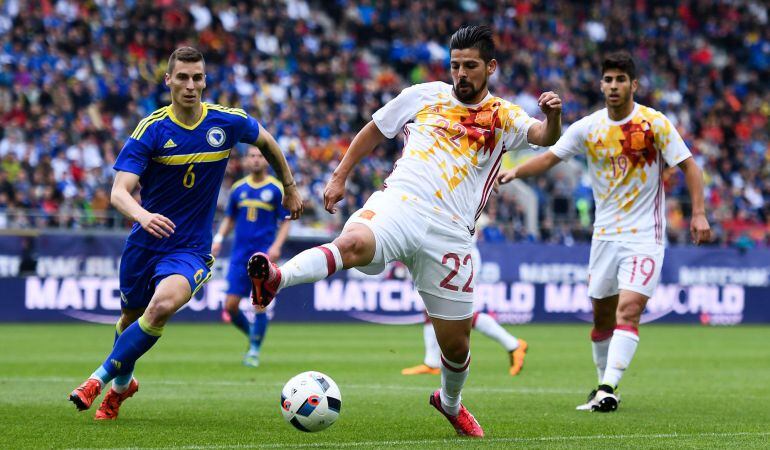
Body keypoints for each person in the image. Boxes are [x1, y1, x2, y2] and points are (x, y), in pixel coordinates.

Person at [249, 25, 562, 437]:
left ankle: (450, 404)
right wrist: (340, 176)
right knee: (354, 242)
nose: (461, 74)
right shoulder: (423, 95)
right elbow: (375, 129)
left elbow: (543, 135)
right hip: (402, 203)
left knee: (456, 345)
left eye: (470, 66)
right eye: (455, 66)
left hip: (451, 232)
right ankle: (276, 278)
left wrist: (553, 115)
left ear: (491, 67)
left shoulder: (504, 115)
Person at [67, 47, 302, 420]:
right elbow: (118, 192)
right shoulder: (152, 129)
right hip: (144, 244)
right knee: (130, 319)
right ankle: (122, 387)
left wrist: (289, 185)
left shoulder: (226, 122)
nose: (190, 86)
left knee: (160, 308)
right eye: (182, 77)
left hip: (189, 249)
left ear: (205, 81)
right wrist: (142, 215)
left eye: (197, 78)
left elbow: (268, 142)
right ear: (168, 80)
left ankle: (98, 380)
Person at [498, 51, 710, 412]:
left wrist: (699, 214)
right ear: (601, 84)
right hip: (605, 236)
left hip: (645, 235)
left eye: (620, 80)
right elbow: (550, 157)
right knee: (601, 318)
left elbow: (690, 167)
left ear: (633, 84)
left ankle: (608, 385)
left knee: (628, 310)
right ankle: (603, 387)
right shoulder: (588, 127)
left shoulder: (654, 124)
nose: (614, 86)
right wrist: (516, 172)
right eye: (608, 80)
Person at [211, 147, 290, 367]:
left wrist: (277, 245)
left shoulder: (275, 189)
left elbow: (285, 220)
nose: (255, 160)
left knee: (259, 304)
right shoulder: (238, 189)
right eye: (252, 156)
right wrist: (218, 238)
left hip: (263, 254)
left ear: (266, 161)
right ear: (246, 161)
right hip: (239, 254)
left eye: (260, 156)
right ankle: (253, 336)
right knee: (230, 306)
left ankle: (254, 349)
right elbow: (229, 219)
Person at [402, 240, 528, 377]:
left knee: (458, 312)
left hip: (458, 254)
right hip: (441, 252)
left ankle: (514, 345)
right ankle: (432, 362)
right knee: (430, 305)